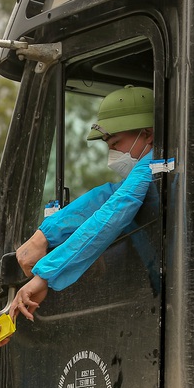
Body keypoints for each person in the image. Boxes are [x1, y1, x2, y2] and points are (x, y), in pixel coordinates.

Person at [10, 85, 155, 321]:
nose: (112, 154)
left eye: (116, 143)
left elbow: (112, 212)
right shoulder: (151, 172)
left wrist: (45, 275)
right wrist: (43, 236)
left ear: (148, 134)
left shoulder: (154, 165)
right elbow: (105, 197)